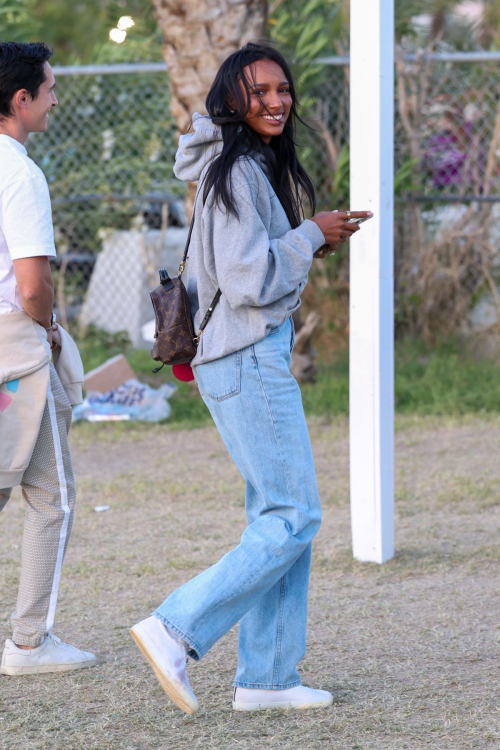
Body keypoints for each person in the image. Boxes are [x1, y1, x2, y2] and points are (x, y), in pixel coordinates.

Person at [130, 42, 371, 714]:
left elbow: (244, 268)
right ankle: (175, 627)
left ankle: (267, 678)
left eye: (282, 89)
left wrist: (309, 237)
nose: (275, 101)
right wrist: (307, 236)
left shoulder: (235, 166)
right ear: (231, 101)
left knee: (277, 515)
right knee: (295, 516)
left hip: (240, 358)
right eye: (258, 91)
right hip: (246, 358)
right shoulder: (235, 172)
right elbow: (246, 280)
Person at [0, 42, 96, 675]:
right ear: (21, 99)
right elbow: (32, 283)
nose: (56, 98)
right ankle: (30, 641)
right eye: (50, 88)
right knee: (51, 496)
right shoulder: (20, 173)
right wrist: (52, 329)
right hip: (18, 348)